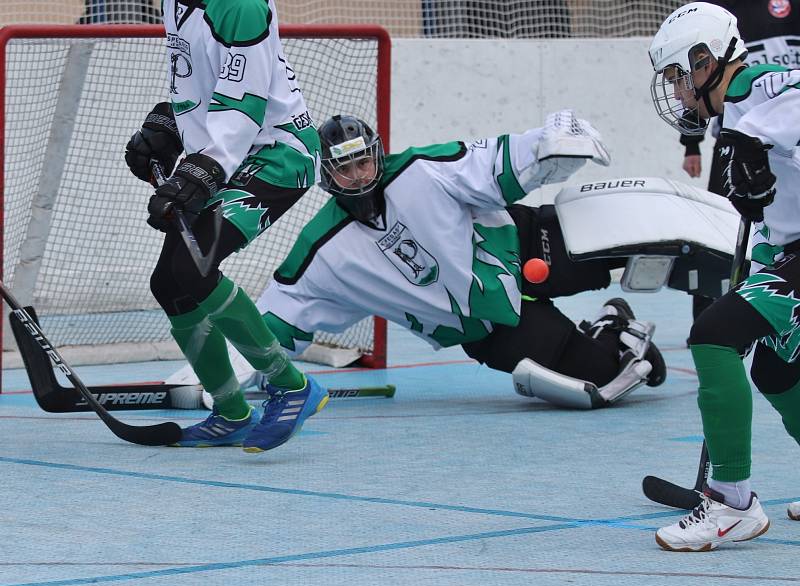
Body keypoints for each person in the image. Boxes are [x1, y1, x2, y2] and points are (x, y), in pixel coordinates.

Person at [228, 111, 667, 412]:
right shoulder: (323, 253)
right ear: (327, 177)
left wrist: (553, 143)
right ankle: (614, 327)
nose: (359, 174)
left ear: (377, 154)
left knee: (620, 241)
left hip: (523, 244)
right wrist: (221, 374)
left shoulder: (420, 169)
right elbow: (275, 322)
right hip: (491, 328)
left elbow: (494, 159)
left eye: (364, 160)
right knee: (602, 379)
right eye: (346, 168)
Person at [124, 0, 327, 452]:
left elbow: (244, 104)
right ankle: (232, 411)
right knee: (170, 284)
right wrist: (169, 125)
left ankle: (292, 386)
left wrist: (200, 170)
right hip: (229, 155)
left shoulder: (240, 5)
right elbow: (198, 76)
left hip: (277, 155)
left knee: (193, 271)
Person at [649, 1, 800, 551]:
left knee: (715, 333)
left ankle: (731, 502)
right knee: (778, 372)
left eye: (677, 76)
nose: (677, 90)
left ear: (705, 62)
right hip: (789, 250)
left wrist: (757, 146)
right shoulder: (740, 109)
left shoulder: (755, 92)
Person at [677, 0, 800, 322]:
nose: (676, 91)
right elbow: (702, 78)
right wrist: (692, 144)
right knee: (722, 224)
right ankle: (715, 310)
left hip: (777, 130)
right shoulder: (727, 10)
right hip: (735, 134)